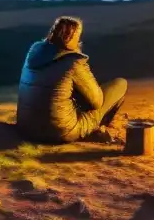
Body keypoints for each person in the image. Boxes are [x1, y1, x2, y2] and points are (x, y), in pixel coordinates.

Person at [16, 16, 128, 144]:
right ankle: (97, 128)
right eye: (78, 35)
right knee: (120, 84)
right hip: (60, 132)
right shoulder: (73, 61)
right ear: (71, 37)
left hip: (27, 127)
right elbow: (96, 102)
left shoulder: (34, 51)